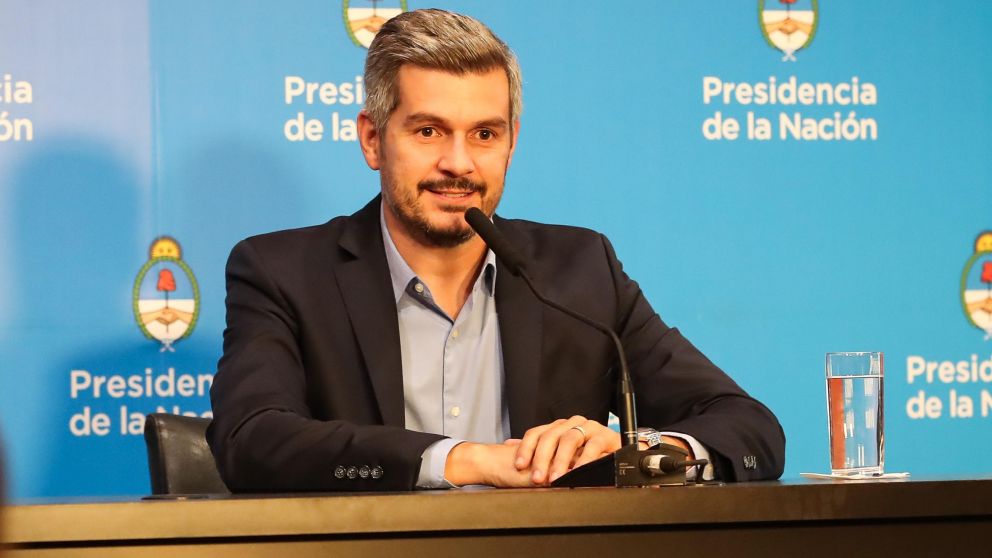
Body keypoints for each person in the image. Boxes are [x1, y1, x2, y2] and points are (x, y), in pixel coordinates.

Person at [208, 9, 785, 492]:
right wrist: (461, 460)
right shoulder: (283, 273)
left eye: (484, 134)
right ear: (372, 139)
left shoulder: (579, 272)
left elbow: (751, 428)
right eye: (429, 130)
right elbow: (251, 439)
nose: (459, 163)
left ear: (511, 143)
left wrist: (646, 449)